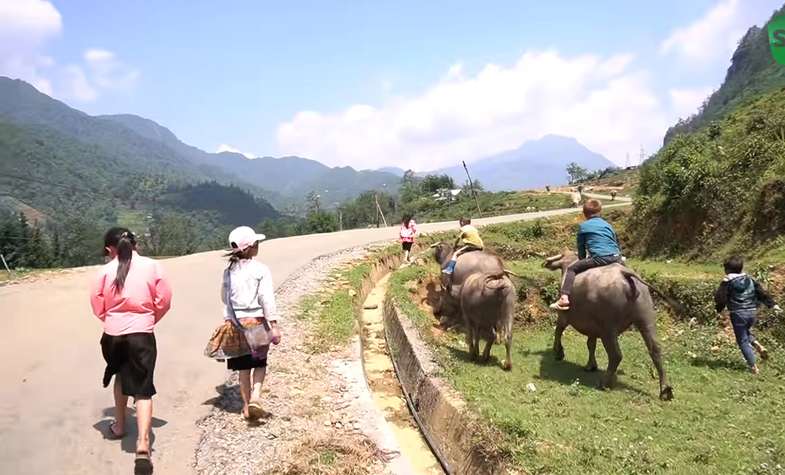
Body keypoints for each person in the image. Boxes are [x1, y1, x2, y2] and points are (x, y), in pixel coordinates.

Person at [90, 228, 172, 475]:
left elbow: (97, 305)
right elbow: (164, 300)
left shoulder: (104, 271)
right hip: (142, 333)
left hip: (113, 334)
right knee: (143, 388)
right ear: (136, 244)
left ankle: (119, 426)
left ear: (109, 249)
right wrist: (148, 319)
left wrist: (113, 319)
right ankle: (143, 446)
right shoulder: (153, 267)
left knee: (119, 374)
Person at [213, 226, 281, 420]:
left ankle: (245, 406)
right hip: (257, 323)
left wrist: (228, 320)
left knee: (243, 370)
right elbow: (266, 298)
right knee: (260, 363)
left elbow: (225, 299)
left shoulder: (228, 272)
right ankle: (257, 396)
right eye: (256, 243)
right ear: (251, 247)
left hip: (236, 325)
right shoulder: (260, 269)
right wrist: (274, 324)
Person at [551, 199, 621, 310]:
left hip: (600, 258)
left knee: (571, 269)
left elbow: (581, 250)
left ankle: (564, 298)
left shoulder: (583, 227)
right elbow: (616, 241)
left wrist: (582, 259)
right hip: (617, 257)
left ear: (584, 214)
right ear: (600, 211)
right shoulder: (608, 225)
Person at [714, 256, 781, 374]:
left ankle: (753, 367)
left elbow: (720, 298)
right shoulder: (750, 279)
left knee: (742, 340)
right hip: (752, 313)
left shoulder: (727, 282)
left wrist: (719, 310)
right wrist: (773, 305)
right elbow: (762, 294)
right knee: (745, 332)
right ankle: (757, 345)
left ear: (727, 270)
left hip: (738, 314)